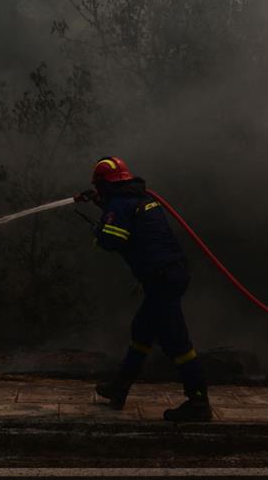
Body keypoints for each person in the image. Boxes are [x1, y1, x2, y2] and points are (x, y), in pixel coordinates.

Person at [76, 156, 212, 422]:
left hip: (162, 279)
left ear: (105, 184)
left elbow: (112, 240)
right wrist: (102, 205)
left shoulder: (121, 204)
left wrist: (98, 231)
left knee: (176, 341)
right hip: (169, 276)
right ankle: (120, 388)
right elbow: (125, 216)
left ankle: (198, 401)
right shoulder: (140, 199)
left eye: (99, 186)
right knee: (142, 331)